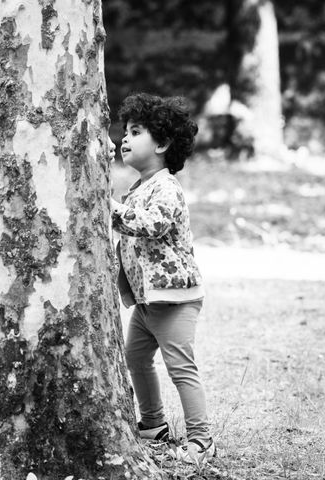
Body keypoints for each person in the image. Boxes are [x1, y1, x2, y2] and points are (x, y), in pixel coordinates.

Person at [110, 93, 215, 464]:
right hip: (148, 299)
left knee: (180, 366)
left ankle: (201, 438)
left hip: (175, 298)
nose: (124, 138)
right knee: (135, 357)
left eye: (135, 131)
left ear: (162, 143)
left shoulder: (166, 186)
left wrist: (110, 209)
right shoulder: (138, 187)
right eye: (125, 130)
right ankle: (153, 423)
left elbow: (151, 225)